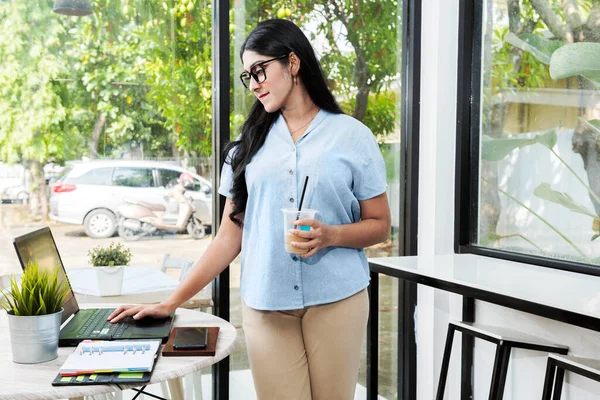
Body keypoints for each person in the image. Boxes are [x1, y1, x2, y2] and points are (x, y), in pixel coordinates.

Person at [108, 19, 391, 399]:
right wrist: (171, 302)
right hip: (266, 305)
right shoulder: (246, 147)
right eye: (248, 75)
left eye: (261, 70)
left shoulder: (352, 136)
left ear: (292, 62)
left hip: (338, 301)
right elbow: (229, 236)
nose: (254, 83)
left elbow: (379, 226)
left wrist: (331, 235)